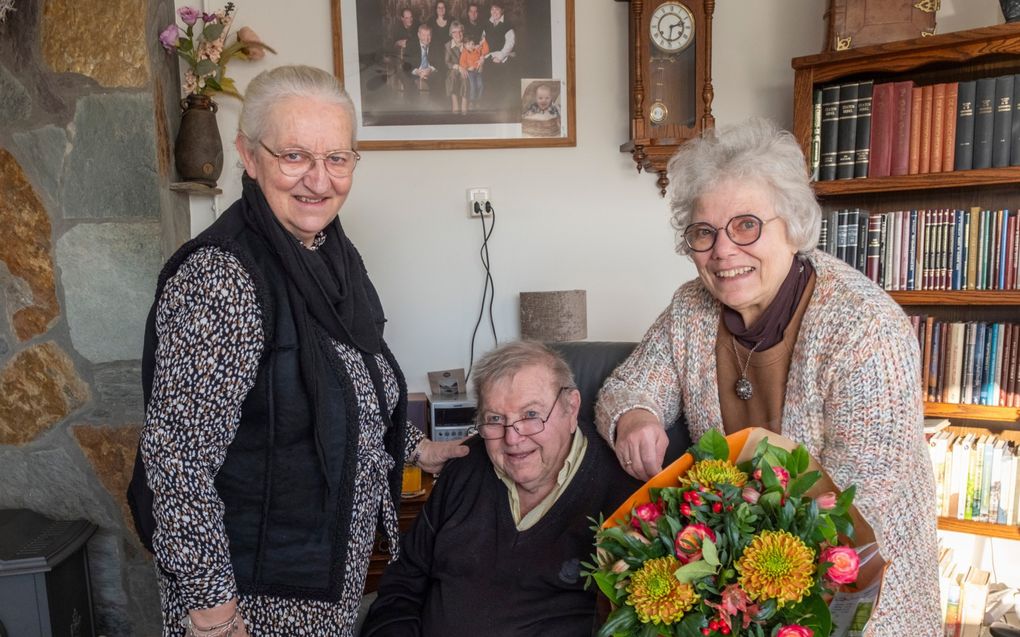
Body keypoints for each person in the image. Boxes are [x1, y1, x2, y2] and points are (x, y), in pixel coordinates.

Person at [135, 65, 467, 637]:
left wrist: (416, 449)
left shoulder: (328, 255)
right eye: (294, 156)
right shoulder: (224, 277)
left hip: (321, 581)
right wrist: (215, 618)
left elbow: (342, 392)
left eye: (337, 158)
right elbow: (178, 464)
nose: (319, 180)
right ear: (248, 154)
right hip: (252, 599)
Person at [594, 118, 940, 636]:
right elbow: (627, 386)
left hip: (861, 596)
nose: (723, 251)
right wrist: (635, 417)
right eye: (704, 232)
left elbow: (852, 505)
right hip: (739, 590)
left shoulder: (865, 328)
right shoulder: (692, 308)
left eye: (747, 225)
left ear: (794, 225)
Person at [361, 341, 642, 636]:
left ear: (571, 408)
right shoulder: (465, 467)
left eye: (531, 415)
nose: (512, 438)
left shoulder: (624, 495)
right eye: (495, 419)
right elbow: (403, 583)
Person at [459, 34, 489, 110]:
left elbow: (486, 50)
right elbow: (462, 62)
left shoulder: (477, 50)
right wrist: (468, 68)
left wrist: (484, 41)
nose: (470, 46)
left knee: (481, 85)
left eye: (472, 44)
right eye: (468, 44)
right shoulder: (464, 52)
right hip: (470, 72)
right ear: (464, 45)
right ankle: (472, 101)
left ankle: (478, 100)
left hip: (478, 71)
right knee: (473, 85)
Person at [444, 21, 468, 114]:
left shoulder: (467, 44)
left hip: (466, 69)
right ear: (451, 34)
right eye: (454, 32)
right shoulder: (448, 45)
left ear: (463, 32)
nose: (457, 34)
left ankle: (464, 101)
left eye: (460, 31)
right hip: (453, 69)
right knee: (453, 74)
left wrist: (465, 68)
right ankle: (454, 100)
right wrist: (458, 67)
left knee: (465, 76)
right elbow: (447, 62)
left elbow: (473, 57)